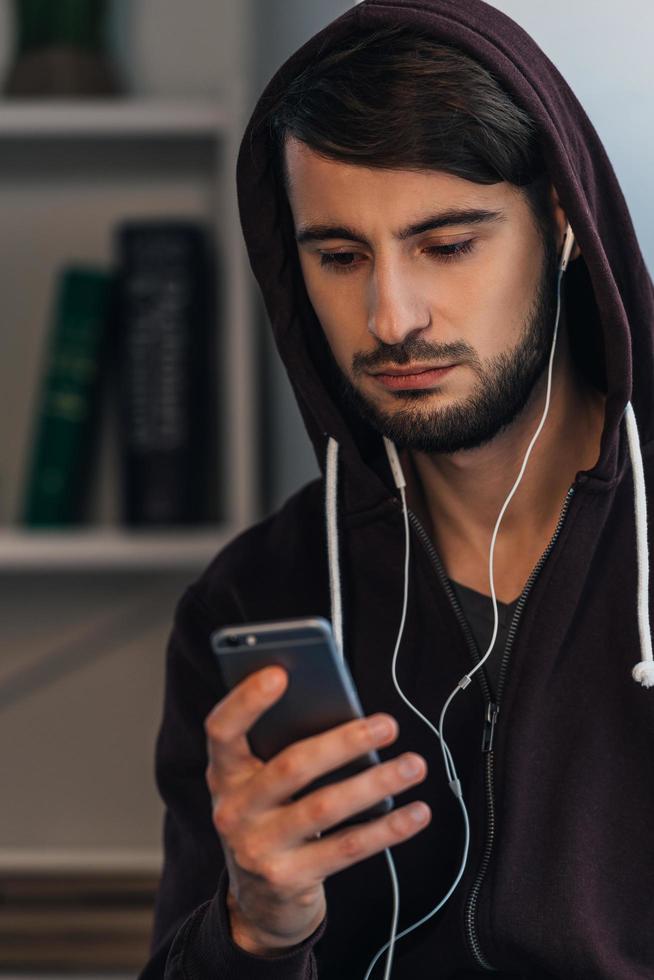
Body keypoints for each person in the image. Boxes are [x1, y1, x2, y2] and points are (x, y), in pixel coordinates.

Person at [138, 1, 654, 978]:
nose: (390, 316)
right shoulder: (256, 598)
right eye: (338, 257)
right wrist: (257, 929)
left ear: (563, 224)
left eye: (447, 244)